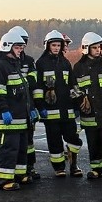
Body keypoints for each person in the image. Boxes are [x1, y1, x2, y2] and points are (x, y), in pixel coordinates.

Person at [0, 28, 35, 190]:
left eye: (21, 48)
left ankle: (20, 175)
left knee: (21, 148)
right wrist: (4, 110)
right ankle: (5, 180)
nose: (20, 51)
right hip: (8, 118)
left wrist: (31, 108)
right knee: (8, 149)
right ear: (7, 47)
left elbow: (24, 90)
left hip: (21, 118)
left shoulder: (13, 65)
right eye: (17, 48)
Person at [33, 30, 82, 178]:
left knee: (73, 138)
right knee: (54, 142)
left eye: (58, 45)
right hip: (50, 112)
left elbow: (73, 85)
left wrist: (77, 103)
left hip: (67, 110)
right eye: (53, 45)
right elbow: (38, 88)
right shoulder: (41, 63)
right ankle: (59, 168)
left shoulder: (66, 63)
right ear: (47, 46)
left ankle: (74, 166)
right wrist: (40, 107)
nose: (56, 48)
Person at [73, 32, 102, 179]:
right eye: (95, 47)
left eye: (99, 47)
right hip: (90, 114)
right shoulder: (78, 68)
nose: (98, 50)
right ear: (86, 49)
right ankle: (96, 169)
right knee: (93, 142)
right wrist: (81, 101)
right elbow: (74, 90)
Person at [11, 26, 41, 180]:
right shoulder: (9, 62)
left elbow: (33, 81)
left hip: (28, 105)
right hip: (15, 106)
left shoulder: (29, 61)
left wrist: (35, 107)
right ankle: (16, 169)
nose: (21, 46)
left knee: (29, 140)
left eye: (23, 43)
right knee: (16, 141)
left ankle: (30, 167)